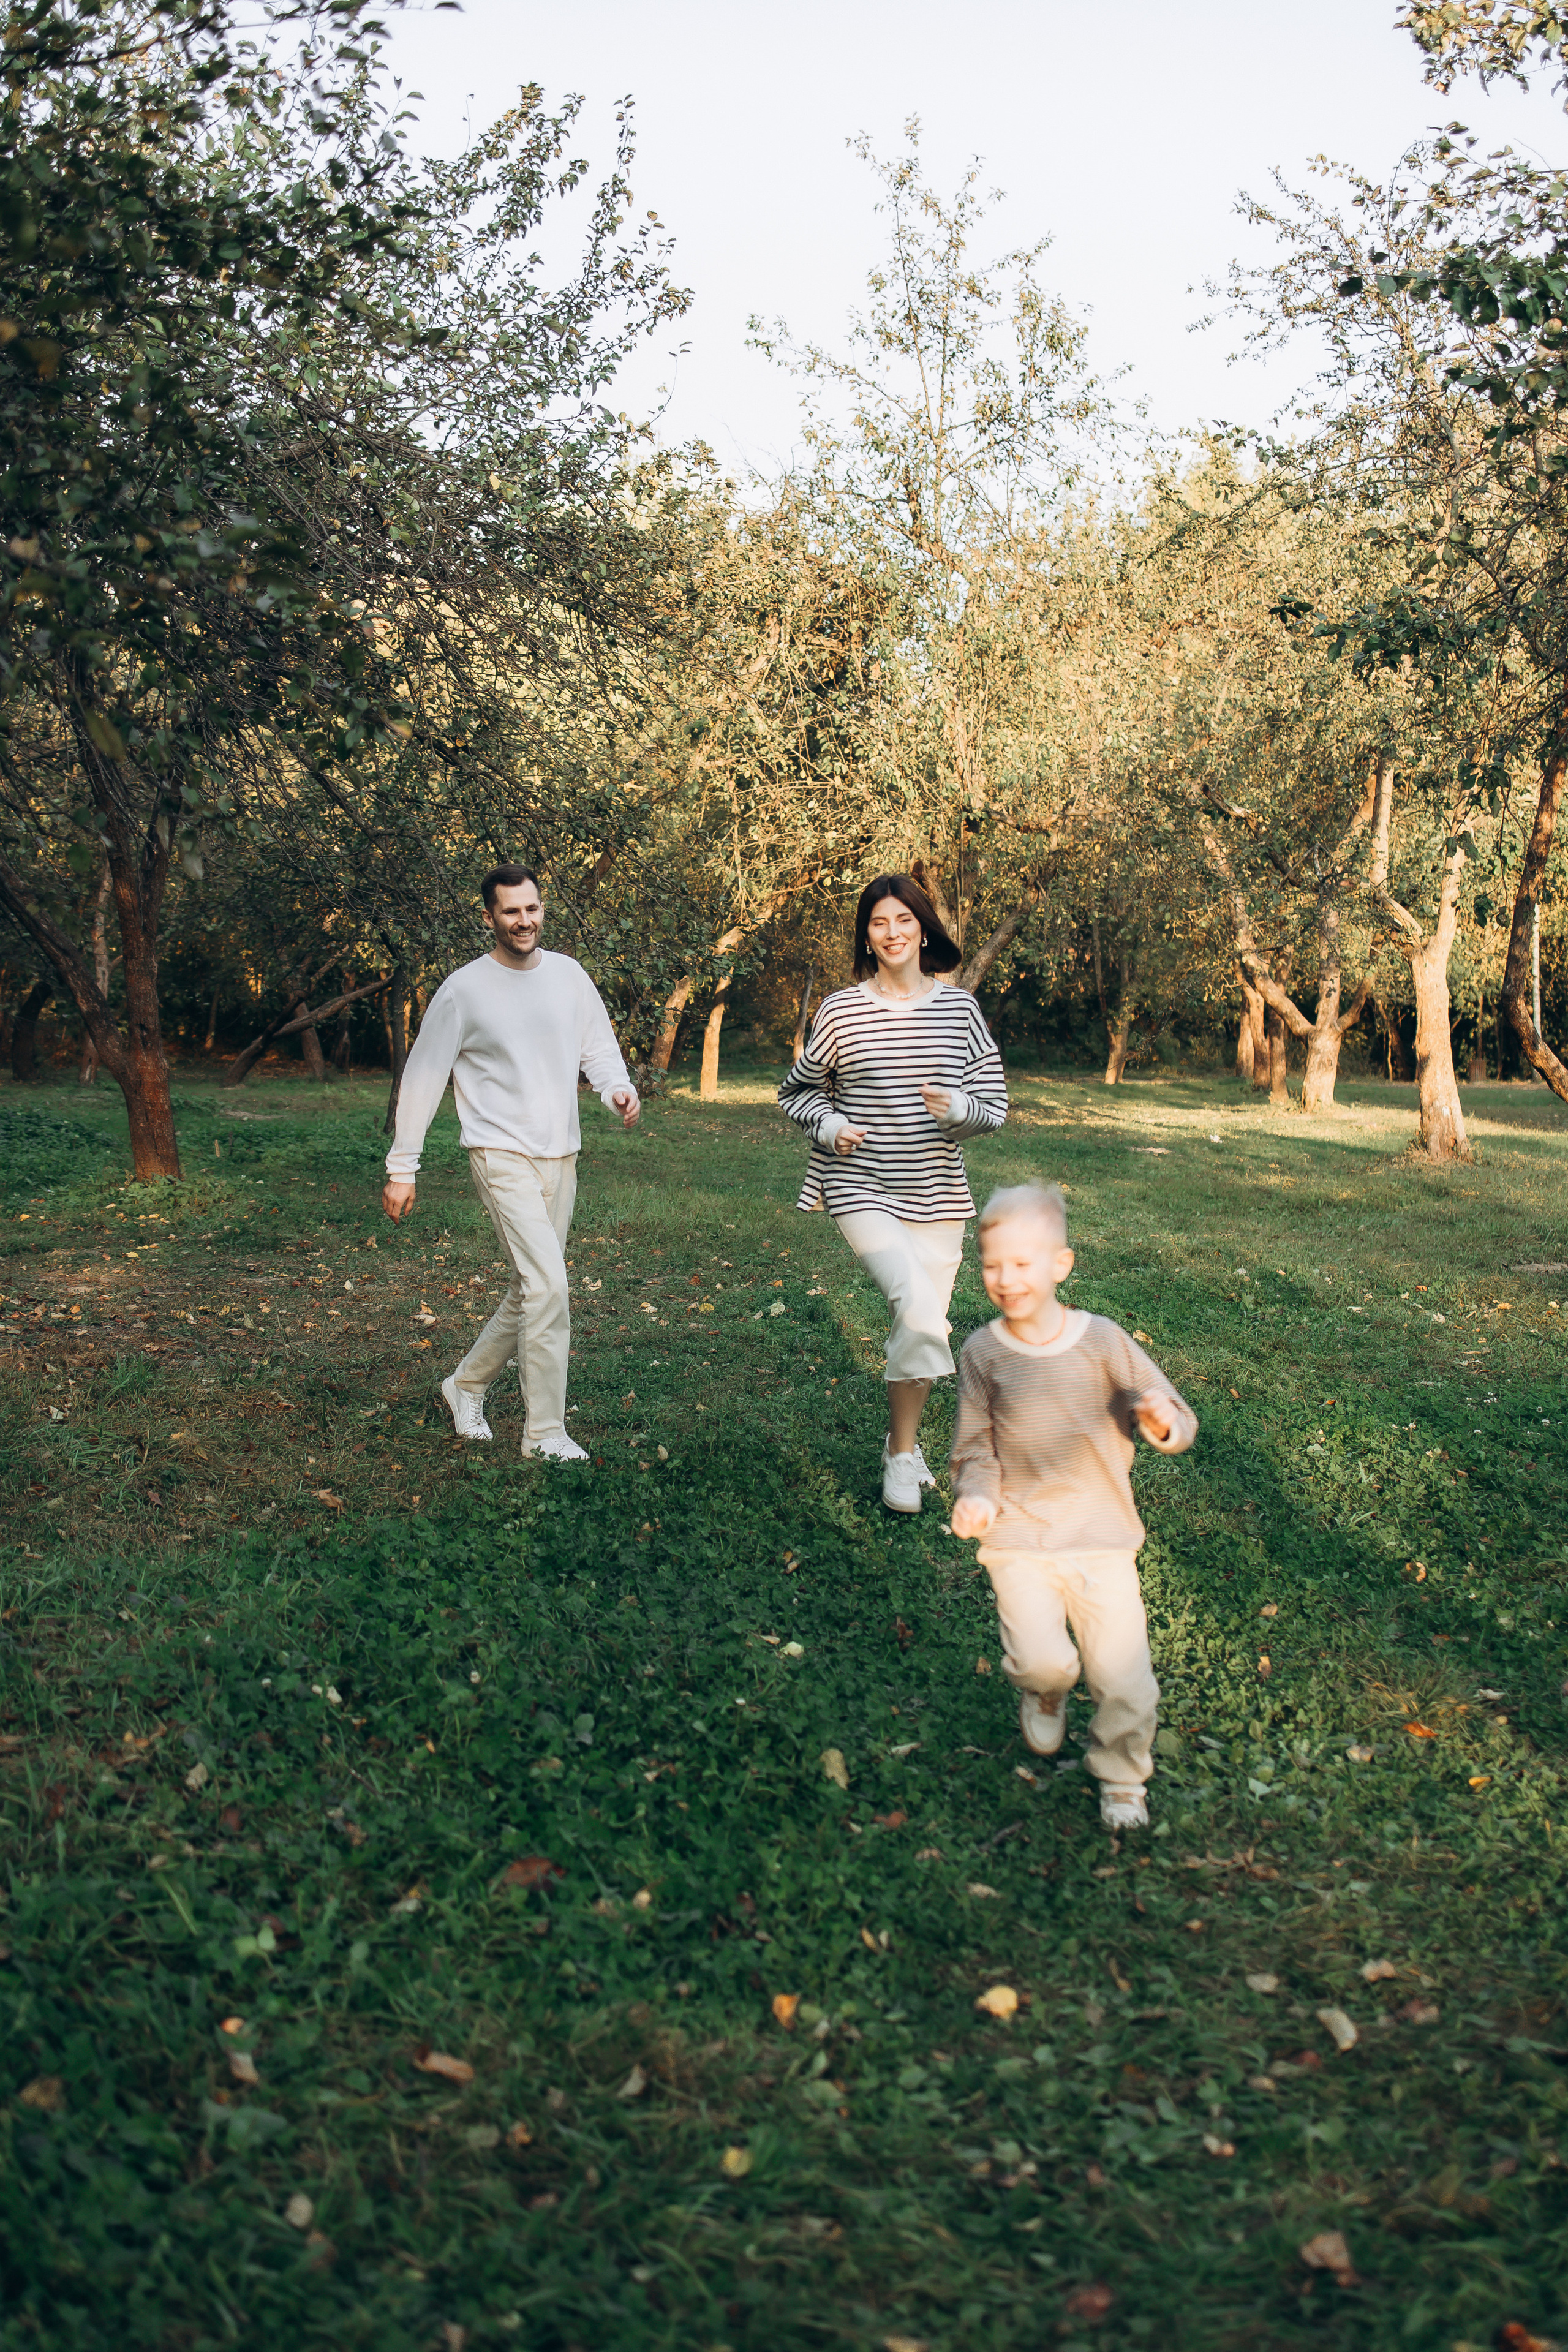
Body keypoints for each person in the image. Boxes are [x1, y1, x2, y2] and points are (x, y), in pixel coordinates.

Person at [949, 1181, 1197, 1831]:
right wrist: (976, 1494)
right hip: (1019, 1540)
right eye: (992, 1265)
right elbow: (974, 1448)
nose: (1005, 1279)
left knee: (1124, 1679)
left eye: (1022, 1264)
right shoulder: (982, 1353)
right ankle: (1046, 1689)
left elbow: (1176, 1417)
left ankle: (1121, 1777)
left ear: (1060, 1266)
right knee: (1043, 1658)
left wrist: (1159, 1421)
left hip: (1101, 1536)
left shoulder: (1104, 1342)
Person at [380, 864, 639, 1460]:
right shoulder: (464, 990)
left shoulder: (569, 976)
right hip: (499, 1154)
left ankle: (465, 1384)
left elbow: (596, 1046)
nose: (524, 921)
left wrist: (615, 1088)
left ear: (541, 909)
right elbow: (424, 1076)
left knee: (533, 1288)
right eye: (511, 911)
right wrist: (403, 1167)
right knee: (549, 1285)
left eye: (532, 909)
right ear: (489, 917)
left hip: (562, 1155)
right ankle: (544, 1435)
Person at [778, 872, 1007, 1513]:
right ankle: (903, 1463)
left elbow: (994, 1106)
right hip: (859, 1184)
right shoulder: (841, 1010)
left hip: (937, 1191)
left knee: (924, 1323)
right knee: (916, 1310)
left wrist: (958, 1106)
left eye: (903, 920)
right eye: (879, 923)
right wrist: (828, 1124)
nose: (892, 932)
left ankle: (900, 1446)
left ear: (922, 927)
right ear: (866, 936)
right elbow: (795, 1092)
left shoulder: (958, 1010)